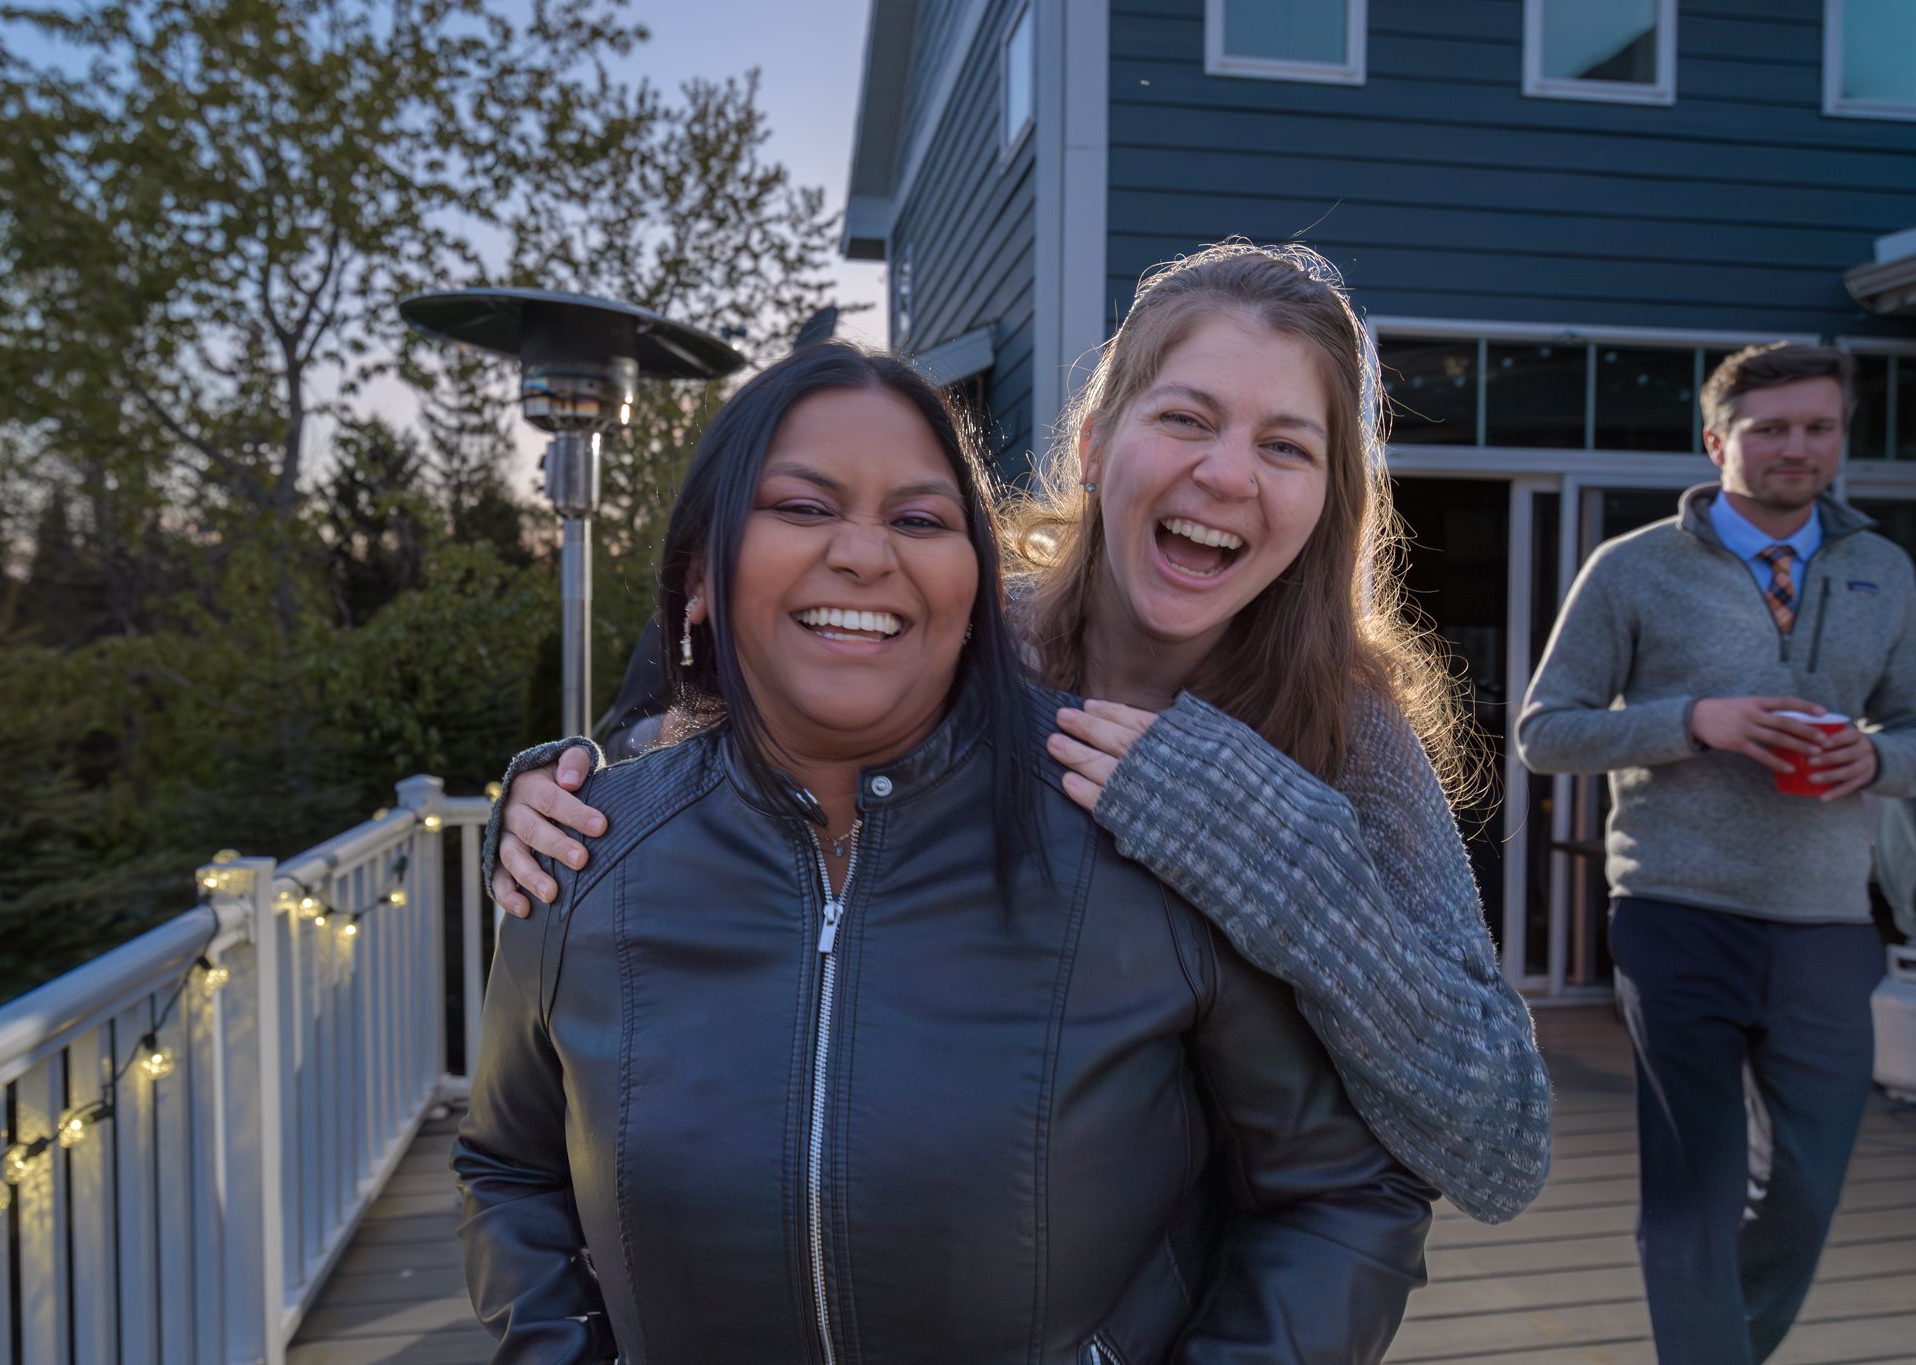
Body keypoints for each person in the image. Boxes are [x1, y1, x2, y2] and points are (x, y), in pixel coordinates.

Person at [484, 240, 1552, 1225]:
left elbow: (1505, 1144)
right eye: (1186, 419)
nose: (1228, 475)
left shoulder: (1347, 729)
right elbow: (701, 743)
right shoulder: (964, 635)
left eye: (1285, 446)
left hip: (1238, 1281)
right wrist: (562, 796)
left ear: (1326, 500)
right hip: (930, 1229)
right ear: (1094, 443)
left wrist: (1290, 866)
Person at [455, 342, 1434, 1363]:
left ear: (979, 588)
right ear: (698, 573)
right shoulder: (581, 852)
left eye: (920, 520)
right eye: (802, 506)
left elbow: (1340, 1193)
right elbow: (507, 1169)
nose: (863, 555)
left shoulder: (1141, 829)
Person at [1517, 342, 1916, 1363]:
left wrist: (1874, 762)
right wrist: (1695, 720)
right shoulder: (1633, 567)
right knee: (1694, 1187)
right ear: (1715, 440)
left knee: (1806, 1185)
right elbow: (1545, 733)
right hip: (1676, 908)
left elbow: (1913, 729)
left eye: (1817, 427)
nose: (1796, 447)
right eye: (1768, 428)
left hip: (1826, 918)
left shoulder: (1883, 571)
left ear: (1840, 436)